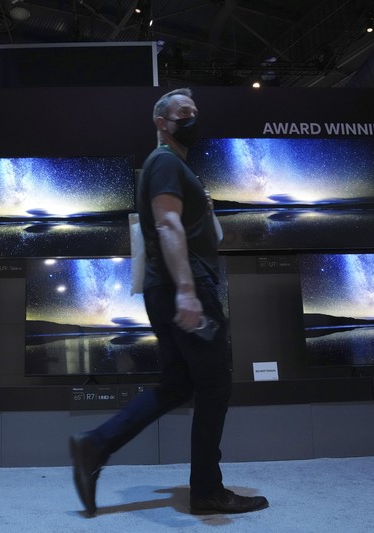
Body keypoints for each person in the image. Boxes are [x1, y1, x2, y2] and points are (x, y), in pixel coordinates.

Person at [69, 88, 268, 517]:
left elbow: (192, 228)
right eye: (183, 113)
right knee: (215, 384)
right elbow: (168, 225)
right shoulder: (163, 162)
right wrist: (188, 292)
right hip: (185, 286)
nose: (192, 118)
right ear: (161, 121)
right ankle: (208, 492)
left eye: (195, 112)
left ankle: (96, 444)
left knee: (178, 384)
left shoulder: (174, 165)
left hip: (171, 287)